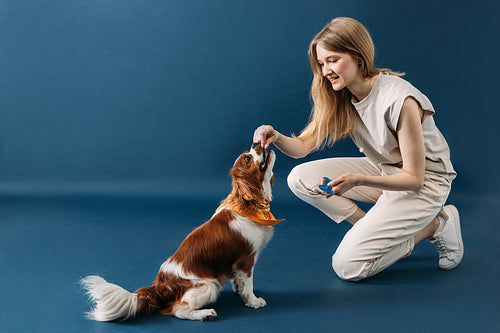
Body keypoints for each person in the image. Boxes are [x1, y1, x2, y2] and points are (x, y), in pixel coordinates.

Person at [253, 17, 463, 281]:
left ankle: (436, 224)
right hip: (385, 172)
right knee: (299, 178)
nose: (326, 70)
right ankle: (378, 228)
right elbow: (302, 148)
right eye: (321, 63)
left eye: (333, 60)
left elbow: (415, 178)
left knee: (348, 267)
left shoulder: (399, 100)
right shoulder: (340, 96)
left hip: (425, 183)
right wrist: (276, 137)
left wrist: (359, 180)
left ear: (358, 58)